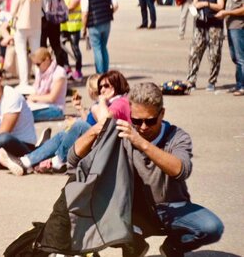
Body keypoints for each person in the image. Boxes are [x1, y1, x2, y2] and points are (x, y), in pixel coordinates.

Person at [68, 83, 224, 256]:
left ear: (162, 113)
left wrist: (141, 143)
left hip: (171, 207)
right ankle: (134, 246)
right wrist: (98, 128)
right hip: (133, 213)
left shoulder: (176, 136)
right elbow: (73, 158)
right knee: (103, 219)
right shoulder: (122, 134)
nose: (142, 127)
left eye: (150, 121)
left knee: (212, 227)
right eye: (136, 121)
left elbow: (180, 170)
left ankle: (173, 247)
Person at [0, 71, 131, 175]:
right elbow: (95, 126)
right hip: (104, 144)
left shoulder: (119, 103)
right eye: (100, 86)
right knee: (64, 134)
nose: (102, 90)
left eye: (106, 86)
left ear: (116, 86)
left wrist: (100, 102)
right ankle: (27, 161)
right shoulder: (112, 102)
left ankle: (56, 160)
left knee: (78, 125)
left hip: (112, 148)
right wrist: (81, 109)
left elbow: (105, 123)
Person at [185, 0, 225, 91]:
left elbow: (220, 6)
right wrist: (195, 6)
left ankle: (212, 81)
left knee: (214, 54)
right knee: (194, 53)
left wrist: (207, 4)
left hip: (215, 25)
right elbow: (194, 3)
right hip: (200, 25)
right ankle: (191, 80)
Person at [10, 0, 43, 88]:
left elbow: (13, 11)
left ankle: (24, 82)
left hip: (22, 25)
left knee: (21, 53)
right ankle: (39, 81)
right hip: (36, 25)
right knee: (36, 53)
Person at [80, 0, 118, 74]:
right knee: (103, 47)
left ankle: (100, 73)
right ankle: (105, 71)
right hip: (106, 22)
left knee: (97, 48)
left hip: (94, 24)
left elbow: (85, 13)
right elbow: (115, 5)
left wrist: (83, 28)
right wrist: (109, 13)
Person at [216, 0, 244, 95]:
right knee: (235, 57)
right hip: (231, 26)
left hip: (239, 26)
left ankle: (242, 85)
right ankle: (239, 84)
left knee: (240, 58)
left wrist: (227, 13)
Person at [35, 0, 69, 69]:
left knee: (43, 45)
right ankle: (60, 67)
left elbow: (39, 5)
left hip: (44, 19)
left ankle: (45, 68)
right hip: (55, 18)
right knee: (56, 45)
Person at [27, 48, 68, 122]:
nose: (37, 67)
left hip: (56, 109)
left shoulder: (59, 72)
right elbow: (36, 90)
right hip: (40, 105)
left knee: (26, 114)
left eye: (38, 64)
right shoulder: (40, 73)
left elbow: (52, 98)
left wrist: (35, 98)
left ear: (47, 60)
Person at [59, 0, 83, 80]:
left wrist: (60, 9)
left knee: (75, 48)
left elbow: (72, 5)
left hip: (74, 25)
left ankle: (78, 70)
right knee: (62, 48)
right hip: (63, 25)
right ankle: (67, 67)